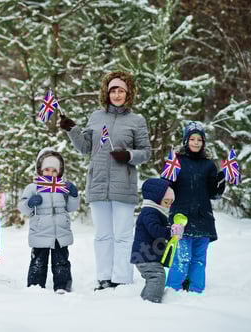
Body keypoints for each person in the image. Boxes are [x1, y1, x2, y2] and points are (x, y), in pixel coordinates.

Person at [59, 71, 151, 290]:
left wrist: (128, 155)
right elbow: (85, 147)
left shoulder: (136, 120)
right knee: (102, 235)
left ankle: (122, 278)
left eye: (121, 91)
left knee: (122, 236)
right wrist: (72, 129)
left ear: (128, 93)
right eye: (113, 91)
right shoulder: (96, 117)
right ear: (106, 93)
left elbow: (146, 152)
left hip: (124, 184)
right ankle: (104, 278)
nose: (117, 95)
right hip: (98, 183)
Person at [165, 121, 225, 293]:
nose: (196, 142)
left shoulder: (208, 165)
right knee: (181, 258)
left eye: (200, 139)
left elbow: (213, 193)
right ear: (186, 141)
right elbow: (167, 189)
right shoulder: (177, 161)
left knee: (199, 259)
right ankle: (173, 290)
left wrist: (220, 183)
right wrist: (166, 183)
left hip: (203, 218)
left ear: (204, 142)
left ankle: (196, 291)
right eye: (192, 139)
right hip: (181, 218)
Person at [18, 148, 79, 294]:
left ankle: (63, 285)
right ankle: (35, 286)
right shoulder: (33, 187)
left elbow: (71, 208)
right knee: (38, 261)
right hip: (40, 230)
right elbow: (23, 207)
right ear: (40, 170)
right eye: (47, 170)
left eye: (54, 170)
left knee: (61, 261)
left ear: (59, 171)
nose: (50, 173)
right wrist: (30, 203)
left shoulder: (62, 187)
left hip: (60, 230)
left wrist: (73, 196)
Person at [130, 178, 184, 303]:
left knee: (154, 277)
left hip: (147, 256)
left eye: (171, 202)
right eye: (166, 201)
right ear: (156, 198)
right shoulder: (150, 212)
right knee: (157, 276)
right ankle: (151, 302)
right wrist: (170, 231)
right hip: (144, 255)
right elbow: (155, 230)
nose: (169, 204)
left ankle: (145, 300)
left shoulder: (156, 211)